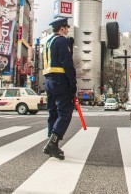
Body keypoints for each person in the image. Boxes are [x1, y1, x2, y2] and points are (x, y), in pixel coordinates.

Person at [42, 17, 77, 160]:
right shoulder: (62, 41)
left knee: (53, 112)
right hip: (60, 80)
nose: (68, 30)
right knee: (65, 112)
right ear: (62, 28)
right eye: (67, 28)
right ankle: (53, 143)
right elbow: (67, 63)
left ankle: (52, 143)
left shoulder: (47, 42)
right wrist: (72, 83)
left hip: (48, 81)